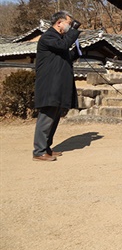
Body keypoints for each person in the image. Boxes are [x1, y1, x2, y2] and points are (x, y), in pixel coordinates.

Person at [32, 11, 81, 161]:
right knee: (47, 117)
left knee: (54, 117)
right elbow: (63, 45)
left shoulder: (59, 40)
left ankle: (46, 148)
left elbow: (66, 57)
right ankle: (39, 151)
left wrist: (77, 51)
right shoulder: (48, 37)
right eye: (68, 23)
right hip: (49, 85)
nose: (70, 26)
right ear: (59, 23)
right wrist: (74, 33)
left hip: (58, 84)